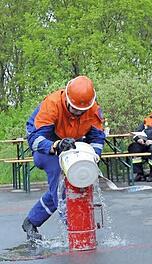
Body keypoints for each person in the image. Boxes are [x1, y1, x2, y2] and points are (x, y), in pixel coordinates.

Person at [22, 75, 105, 240]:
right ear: (66, 98)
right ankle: (74, 226)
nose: (79, 113)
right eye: (74, 109)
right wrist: (55, 146)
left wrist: (94, 156)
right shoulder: (51, 104)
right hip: (45, 147)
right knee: (59, 178)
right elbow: (35, 140)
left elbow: (97, 138)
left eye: (82, 111)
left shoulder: (93, 109)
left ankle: (31, 221)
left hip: (71, 144)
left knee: (67, 185)